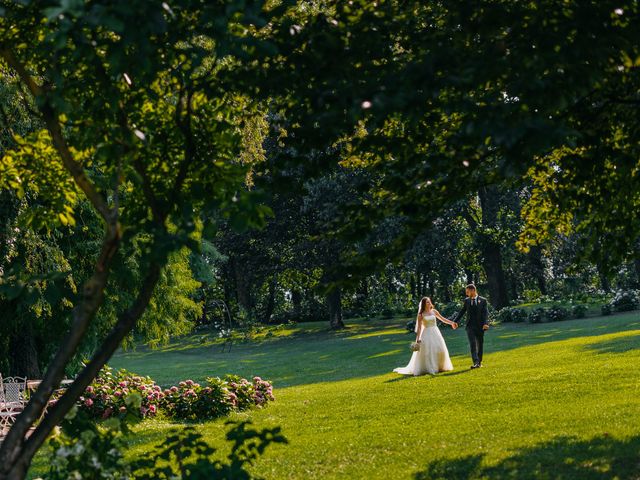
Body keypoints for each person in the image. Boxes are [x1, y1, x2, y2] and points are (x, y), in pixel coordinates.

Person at [393, 297, 457, 376]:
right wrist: (417, 339)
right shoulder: (421, 315)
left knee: (440, 349)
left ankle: (440, 366)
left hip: (436, 332)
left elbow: (443, 319)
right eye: (427, 302)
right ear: (423, 304)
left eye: (429, 301)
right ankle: (430, 368)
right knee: (428, 351)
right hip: (426, 333)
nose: (429, 303)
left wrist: (452, 323)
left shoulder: (434, 311)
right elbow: (419, 328)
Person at [453, 284, 489, 369]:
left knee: (480, 344)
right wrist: (454, 321)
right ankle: (476, 362)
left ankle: (479, 362)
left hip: (480, 326)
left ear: (473, 290)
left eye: (468, 291)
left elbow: (485, 313)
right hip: (470, 326)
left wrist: (486, 323)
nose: (466, 293)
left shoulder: (483, 300)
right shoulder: (467, 301)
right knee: (472, 344)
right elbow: (462, 312)